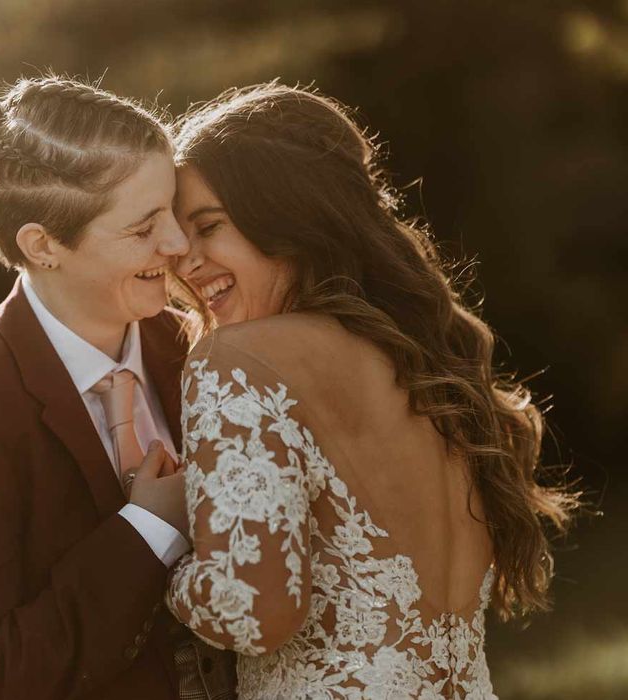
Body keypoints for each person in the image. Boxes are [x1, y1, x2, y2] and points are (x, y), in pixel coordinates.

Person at [157, 83, 579, 698]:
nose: (183, 263)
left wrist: (159, 550)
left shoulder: (236, 360)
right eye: (177, 237)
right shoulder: (428, 363)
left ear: (288, 215)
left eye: (209, 227)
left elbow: (252, 606)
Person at [0, 69, 235, 700]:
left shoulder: (202, 346)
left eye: (174, 211)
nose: (179, 243)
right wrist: (148, 532)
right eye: (143, 227)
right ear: (43, 245)